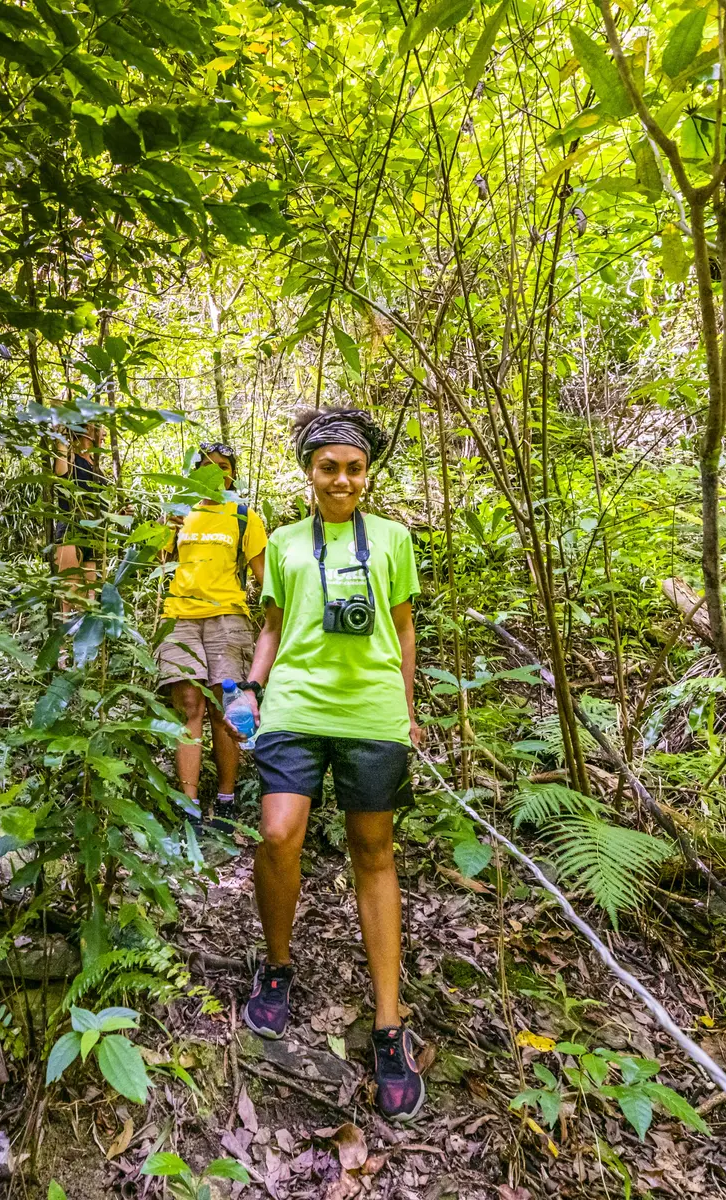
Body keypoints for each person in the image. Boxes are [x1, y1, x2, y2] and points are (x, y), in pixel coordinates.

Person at [227, 406, 426, 1122]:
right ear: (309, 473)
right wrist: (252, 685)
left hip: (370, 712)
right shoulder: (281, 542)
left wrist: (405, 709)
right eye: (328, 467)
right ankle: (276, 969)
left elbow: (403, 631)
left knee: (373, 851)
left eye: (353, 467)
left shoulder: (396, 540)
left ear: (366, 473)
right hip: (294, 707)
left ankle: (387, 1022)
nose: (341, 479)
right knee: (279, 834)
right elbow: (273, 624)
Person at [156, 442, 267, 831]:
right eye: (205, 466)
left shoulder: (242, 516)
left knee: (224, 711)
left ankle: (225, 800)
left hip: (227, 619)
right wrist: (159, 533)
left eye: (222, 466)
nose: (214, 472)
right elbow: (157, 563)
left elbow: (263, 577)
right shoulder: (179, 515)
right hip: (180, 617)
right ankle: (187, 804)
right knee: (190, 709)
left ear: (232, 474)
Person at [53, 422, 107, 612]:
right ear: (87, 432)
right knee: (70, 591)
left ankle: (85, 634)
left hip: (93, 530)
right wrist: (59, 434)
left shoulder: (97, 469)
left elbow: (103, 505)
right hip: (70, 524)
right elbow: (61, 473)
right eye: (99, 429)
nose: (104, 435)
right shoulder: (69, 458)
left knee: (90, 595)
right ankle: (64, 637)